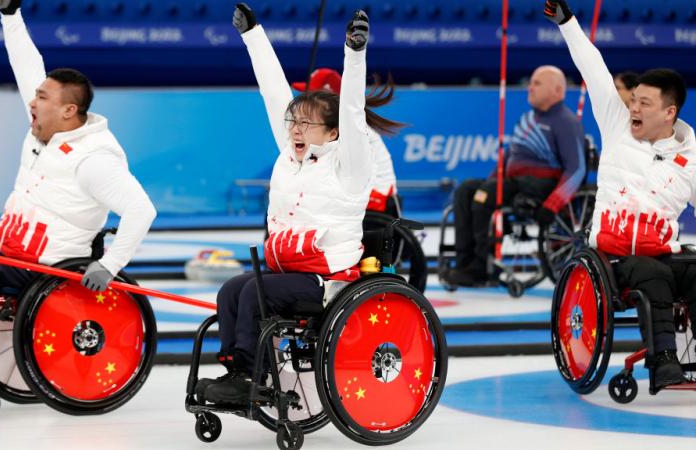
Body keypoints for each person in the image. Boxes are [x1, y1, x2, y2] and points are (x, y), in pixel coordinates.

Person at [0, 0, 156, 387]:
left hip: (48, 267)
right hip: (13, 255)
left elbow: (141, 209)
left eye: (41, 98)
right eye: (35, 96)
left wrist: (111, 264)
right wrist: (9, 15)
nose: (32, 102)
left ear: (69, 110)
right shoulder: (46, 124)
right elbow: (25, 65)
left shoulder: (95, 159)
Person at [197, 4, 401, 405]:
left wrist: (354, 54)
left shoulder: (351, 166)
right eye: (293, 123)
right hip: (287, 271)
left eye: (306, 124)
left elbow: (354, 113)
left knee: (254, 295)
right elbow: (273, 93)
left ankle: (246, 376)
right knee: (230, 291)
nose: (295, 130)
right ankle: (242, 371)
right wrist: (252, 34)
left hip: (327, 281)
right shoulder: (291, 156)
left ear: (332, 131)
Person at [546, 0, 696, 388]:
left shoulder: (690, 158)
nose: (634, 107)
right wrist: (568, 24)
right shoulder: (616, 123)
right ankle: (663, 361)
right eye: (633, 100)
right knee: (654, 274)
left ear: (670, 113)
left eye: (644, 103)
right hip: (614, 257)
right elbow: (592, 67)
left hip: (663, 251)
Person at [445, 65, 586, 286]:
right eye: (530, 82)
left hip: (539, 186)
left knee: (484, 195)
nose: (529, 87)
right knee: (465, 190)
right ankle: (465, 263)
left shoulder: (566, 122)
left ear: (557, 91)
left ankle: (481, 268)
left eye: (537, 83)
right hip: (511, 182)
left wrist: (552, 205)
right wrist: (492, 180)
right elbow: (508, 157)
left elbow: (577, 169)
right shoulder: (528, 118)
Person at [292, 68, 403, 216]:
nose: (303, 101)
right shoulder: (339, 125)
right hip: (361, 204)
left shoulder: (350, 129)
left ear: (326, 101)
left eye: (310, 97)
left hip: (374, 210)